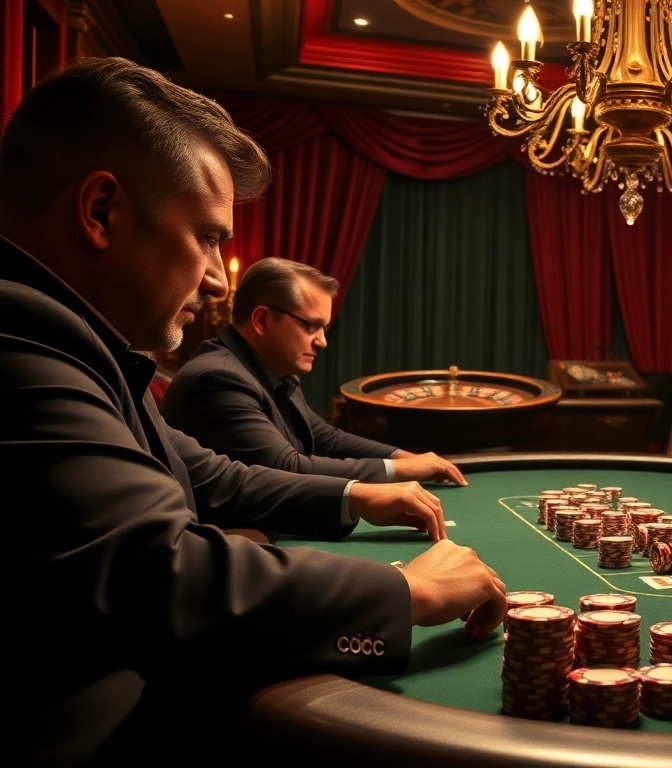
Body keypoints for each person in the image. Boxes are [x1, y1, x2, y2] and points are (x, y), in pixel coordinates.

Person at [0, 58, 507, 764]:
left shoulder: (76, 341)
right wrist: (404, 590)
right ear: (101, 211)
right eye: (207, 237)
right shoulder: (18, 344)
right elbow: (162, 578)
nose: (217, 279)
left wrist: (357, 494)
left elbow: (211, 476)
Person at [162, 258, 467, 485]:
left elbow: (326, 439)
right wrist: (399, 470)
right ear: (262, 320)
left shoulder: (271, 370)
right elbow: (285, 468)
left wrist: (404, 457)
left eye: (324, 328)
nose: (322, 341)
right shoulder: (218, 379)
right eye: (312, 326)